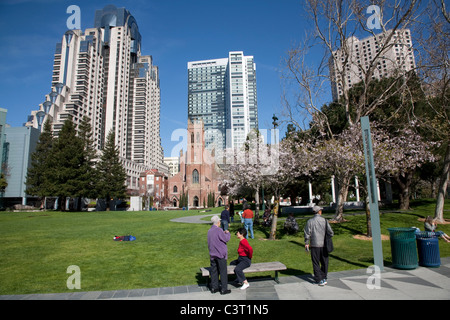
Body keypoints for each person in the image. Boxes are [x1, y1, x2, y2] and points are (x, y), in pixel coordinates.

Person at [304, 205, 334, 286]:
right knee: (324, 262)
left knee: (316, 262)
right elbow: (331, 232)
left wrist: (306, 243)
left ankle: (319, 278)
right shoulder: (324, 220)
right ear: (319, 211)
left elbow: (307, 233)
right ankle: (323, 277)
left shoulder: (310, 221)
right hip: (324, 245)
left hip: (314, 245)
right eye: (321, 210)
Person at [207, 215, 231, 294]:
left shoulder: (209, 231)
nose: (220, 222)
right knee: (223, 272)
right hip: (220, 254)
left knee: (214, 272)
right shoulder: (219, 230)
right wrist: (227, 233)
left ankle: (214, 287)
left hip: (212, 254)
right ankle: (224, 289)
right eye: (219, 221)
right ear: (218, 222)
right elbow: (226, 239)